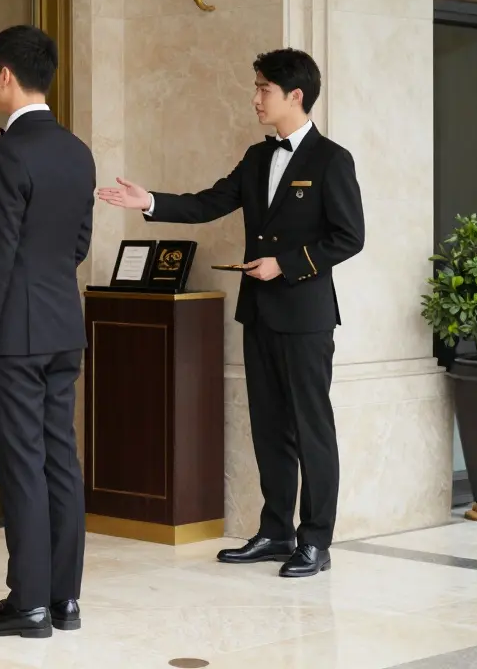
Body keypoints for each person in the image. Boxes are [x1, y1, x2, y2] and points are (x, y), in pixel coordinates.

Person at [97, 48, 365, 578]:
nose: (256, 98)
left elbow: (349, 237)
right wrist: (148, 200)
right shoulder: (257, 157)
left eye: (264, 89)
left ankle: (315, 540)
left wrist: (284, 266)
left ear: (296, 95)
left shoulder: (333, 160)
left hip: (306, 317)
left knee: (311, 428)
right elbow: (208, 202)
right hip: (259, 314)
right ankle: (274, 531)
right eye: (257, 87)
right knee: (268, 427)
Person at [0, 25, 95, 639]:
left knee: (21, 466)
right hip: (65, 325)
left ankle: (29, 604)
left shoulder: (5, 152)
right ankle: (64, 601)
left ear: (6, 75)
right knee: (60, 460)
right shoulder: (76, 150)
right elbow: (80, 244)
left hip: (14, 334)